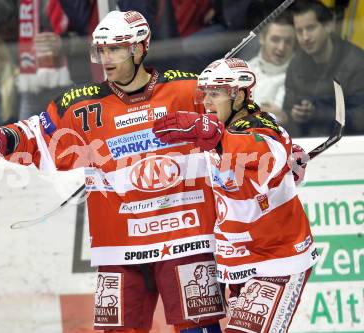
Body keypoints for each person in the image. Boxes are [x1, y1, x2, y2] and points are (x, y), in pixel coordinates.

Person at [0, 10, 226, 333]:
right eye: (100, 50)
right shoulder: (80, 105)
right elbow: (36, 136)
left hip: (188, 240)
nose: (106, 58)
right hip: (120, 248)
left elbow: (245, 132)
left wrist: (213, 128)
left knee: (198, 330)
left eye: (115, 49)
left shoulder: (190, 91)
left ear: (140, 49)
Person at [153, 57, 317, 332]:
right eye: (204, 94)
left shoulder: (263, 125)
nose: (206, 103)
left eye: (215, 94)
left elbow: (265, 151)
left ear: (239, 95)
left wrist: (216, 136)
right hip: (239, 262)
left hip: (277, 261)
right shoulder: (222, 133)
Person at [283, 0, 364, 136]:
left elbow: (361, 118)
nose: (305, 37)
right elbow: (288, 109)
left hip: (347, 146)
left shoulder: (356, 62)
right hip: (307, 145)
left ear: (328, 25)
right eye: (299, 31)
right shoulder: (295, 65)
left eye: (310, 28)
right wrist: (293, 116)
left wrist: (318, 114)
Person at [248, 13, 296, 125]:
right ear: (262, 39)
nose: (281, 47)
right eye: (275, 39)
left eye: (288, 42)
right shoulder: (245, 70)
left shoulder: (300, 78)